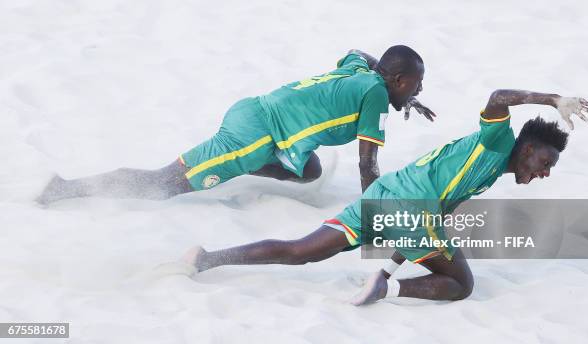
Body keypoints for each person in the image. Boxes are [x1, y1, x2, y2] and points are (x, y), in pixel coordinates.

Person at [179, 89, 588, 305]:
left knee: (301, 250)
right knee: (461, 284)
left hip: (386, 197)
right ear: (525, 148)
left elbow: (432, 221)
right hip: (408, 209)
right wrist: (552, 100)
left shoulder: (483, 172)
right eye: (544, 162)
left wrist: (394, 261)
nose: (543, 173)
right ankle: (386, 291)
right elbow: (497, 98)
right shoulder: (496, 142)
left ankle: (206, 259)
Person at [36, 45, 435, 204]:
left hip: (259, 114)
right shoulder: (377, 96)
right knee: (164, 185)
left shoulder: (364, 73)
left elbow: (357, 53)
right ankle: (65, 189)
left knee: (307, 170)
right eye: (414, 84)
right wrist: (375, 215)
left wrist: (406, 96)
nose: (417, 90)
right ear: (396, 80)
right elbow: (368, 165)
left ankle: (239, 166)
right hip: (256, 133)